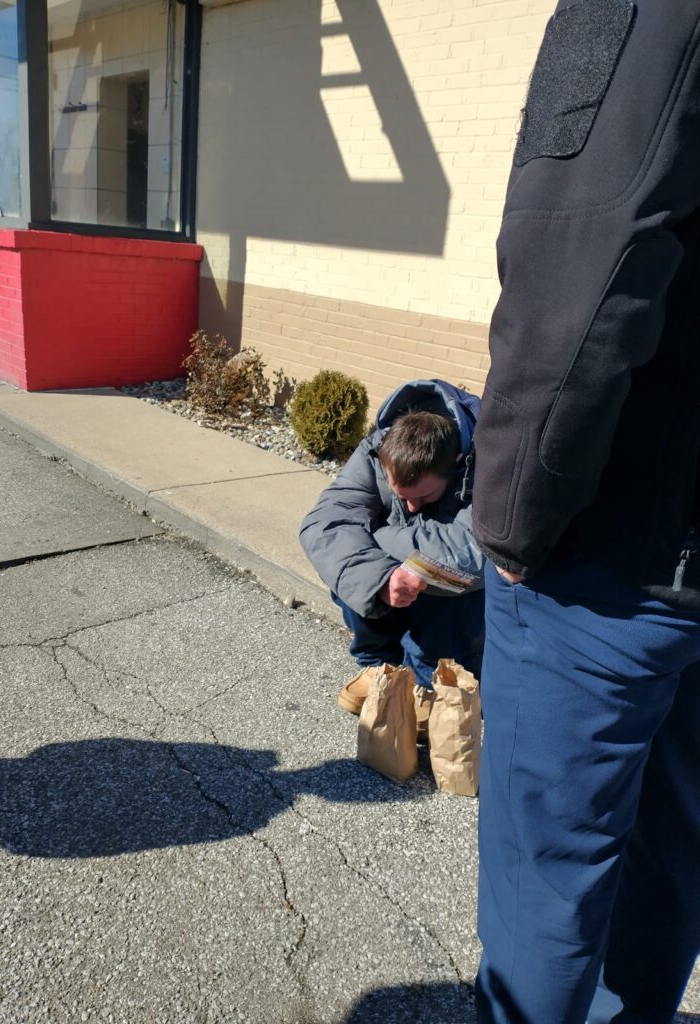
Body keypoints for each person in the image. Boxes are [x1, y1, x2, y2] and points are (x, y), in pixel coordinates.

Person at [470, 1, 700, 1021]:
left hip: (611, 558)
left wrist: (513, 524)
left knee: (548, 897)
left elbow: (586, 251)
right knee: (669, 858)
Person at [300, 378, 485, 718]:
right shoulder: (379, 446)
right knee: (355, 567)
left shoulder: (489, 461)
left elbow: (472, 557)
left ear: (456, 461)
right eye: (403, 497)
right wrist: (381, 578)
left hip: (455, 601)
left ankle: (430, 682)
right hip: (406, 570)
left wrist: (380, 536)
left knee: (444, 578)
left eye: (424, 496)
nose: (412, 507)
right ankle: (380, 666)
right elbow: (326, 523)